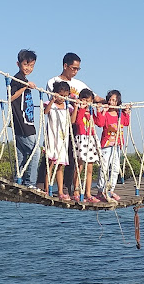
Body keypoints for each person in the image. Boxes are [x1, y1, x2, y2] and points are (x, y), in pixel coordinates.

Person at [44, 52, 103, 194]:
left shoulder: (79, 84)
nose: (75, 72)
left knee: (73, 159)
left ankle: (71, 188)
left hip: (77, 126)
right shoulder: (53, 82)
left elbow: (94, 97)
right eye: (73, 68)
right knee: (55, 158)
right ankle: (50, 187)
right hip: (60, 126)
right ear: (65, 66)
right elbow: (54, 101)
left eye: (78, 69)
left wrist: (111, 102)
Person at [9, 49, 39, 188]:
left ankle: (18, 180)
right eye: (26, 65)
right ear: (18, 64)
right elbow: (10, 97)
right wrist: (25, 86)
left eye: (32, 66)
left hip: (27, 120)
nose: (29, 68)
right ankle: (30, 183)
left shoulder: (23, 79)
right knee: (35, 151)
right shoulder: (17, 79)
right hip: (22, 122)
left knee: (21, 153)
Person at [94, 89, 130, 203]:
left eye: (114, 100)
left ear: (118, 102)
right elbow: (99, 123)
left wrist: (127, 112)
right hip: (106, 144)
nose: (111, 102)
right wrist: (101, 111)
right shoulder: (107, 113)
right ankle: (100, 190)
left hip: (117, 144)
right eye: (110, 100)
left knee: (114, 168)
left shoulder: (120, 113)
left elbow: (126, 123)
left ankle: (110, 190)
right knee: (104, 167)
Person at [70, 89, 100, 203]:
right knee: (79, 166)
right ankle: (76, 190)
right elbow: (77, 122)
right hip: (81, 138)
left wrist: (98, 110)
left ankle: (88, 192)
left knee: (90, 168)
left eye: (88, 100)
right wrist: (81, 108)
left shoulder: (91, 110)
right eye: (84, 100)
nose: (86, 102)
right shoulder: (78, 110)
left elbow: (100, 123)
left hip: (91, 138)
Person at [44, 80, 73, 200]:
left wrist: (75, 107)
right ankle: (47, 189)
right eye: (61, 95)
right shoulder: (50, 104)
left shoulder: (68, 106)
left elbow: (72, 121)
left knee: (60, 166)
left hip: (62, 139)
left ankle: (60, 191)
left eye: (66, 96)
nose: (63, 98)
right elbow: (45, 112)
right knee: (50, 164)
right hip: (52, 137)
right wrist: (52, 100)